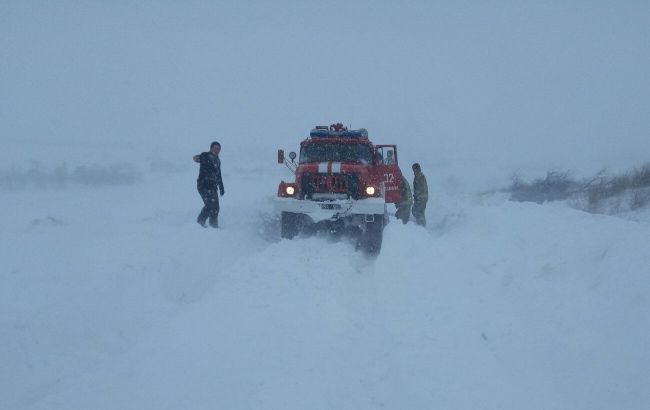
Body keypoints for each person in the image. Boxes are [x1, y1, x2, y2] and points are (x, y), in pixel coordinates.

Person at [193, 141, 224, 228]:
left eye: (219, 149)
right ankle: (200, 223)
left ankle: (213, 225)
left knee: (216, 207)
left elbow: (219, 175)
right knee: (210, 205)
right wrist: (197, 158)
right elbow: (197, 158)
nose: (217, 150)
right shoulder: (206, 155)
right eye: (215, 148)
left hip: (213, 186)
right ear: (211, 148)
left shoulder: (218, 161)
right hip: (203, 185)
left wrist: (221, 187)